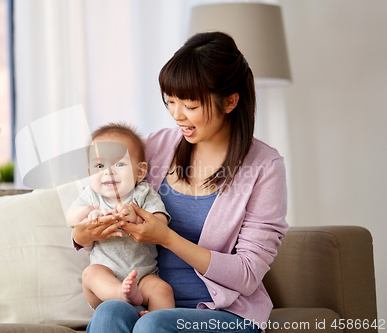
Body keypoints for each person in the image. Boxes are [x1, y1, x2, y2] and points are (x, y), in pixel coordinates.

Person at [73, 31, 289, 333]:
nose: (177, 115)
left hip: (224, 314)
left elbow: (247, 274)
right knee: (109, 312)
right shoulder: (156, 147)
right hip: (145, 299)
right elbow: (98, 186)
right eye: (170, 102)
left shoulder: (264, 166)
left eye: (190, 106)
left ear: (230, 101)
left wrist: (166, 237)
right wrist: (82, 236)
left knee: (154, 326)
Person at [67, 123, 175, 314]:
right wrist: (85, 214)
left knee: (163, 290)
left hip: (143, 276)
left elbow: (161, 224)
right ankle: (122, 293)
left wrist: (136, 217)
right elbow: (71, 216)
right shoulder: (92, 196)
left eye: (119, 163)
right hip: (105, 279)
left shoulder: (143, 194)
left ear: (140, 172)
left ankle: (153, 319)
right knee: (90, 274)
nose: (108, 171)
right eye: (99, 165)